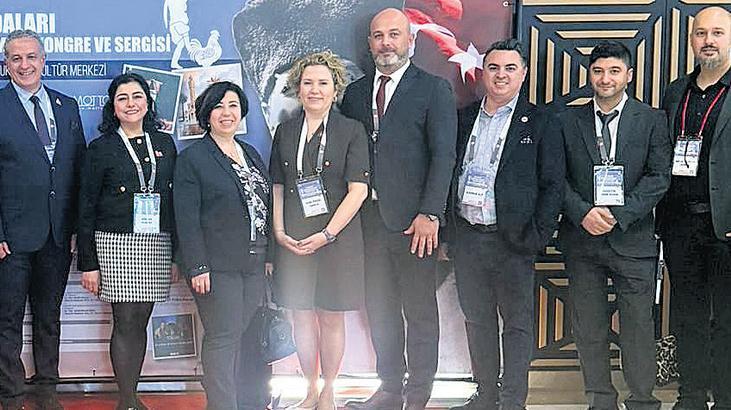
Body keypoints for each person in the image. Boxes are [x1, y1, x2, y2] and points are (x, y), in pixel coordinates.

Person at [340, 8, 457, 410]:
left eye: (394, 34)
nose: (386, 42)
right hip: (368, 222)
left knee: (419, 310)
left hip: (415, 224)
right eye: (378, 36)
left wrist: (431, 213)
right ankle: (390, 387)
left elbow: (444, 156)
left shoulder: (434, 89)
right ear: (370, 43)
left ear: (411, 40)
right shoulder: (355, 94)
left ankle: (418, 393)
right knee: (380, 309)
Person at [447, 39, 564, 410]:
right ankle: (486, 395)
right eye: (494, 67)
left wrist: (536, 236)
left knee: (516, 325)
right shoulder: (463, 117)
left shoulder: (541, 121)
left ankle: (513, 400)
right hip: (468, 236)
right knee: (477, 320)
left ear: (523, 73)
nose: (501, 75)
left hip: (514, 241)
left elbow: (553, 185)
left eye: (510, 68)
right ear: (483, 72)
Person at [559, 41, 672, 410]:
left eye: (613, 71)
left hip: (633, 239)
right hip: (582, 239)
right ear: (589, 75)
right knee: (588, 326)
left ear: (629, 75)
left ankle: (642, 400)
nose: (605, 79)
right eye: (598, 71)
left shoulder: (652, 119)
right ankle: (600, 400)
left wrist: (619, 215)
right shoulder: (567, 120)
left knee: (638, 326)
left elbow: (658, 177)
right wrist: (583, 213)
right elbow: (555, 178)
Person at [270, 51, 369, 410]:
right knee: (300, 315)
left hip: (337, 240)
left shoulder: (351, 131)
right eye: (308, 83)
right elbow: (277, 186)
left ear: (335, 89)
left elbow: (359, 190)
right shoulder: (285, 131)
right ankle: (310, 389)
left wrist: (327, 234)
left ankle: (329, 391)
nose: (315, 90)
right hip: (294, 240)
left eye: (323, 83)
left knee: (330, 315)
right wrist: (279, 232)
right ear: (298, 89)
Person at [77, 73, 178, 410]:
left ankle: (133, 394)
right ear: (113, 106)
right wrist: (88, 263)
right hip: (115, 244)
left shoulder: (164, 143)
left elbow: (174, 202)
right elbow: (86, 206)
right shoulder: (100, 148)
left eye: (137, 96)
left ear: (148, 102)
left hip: (156, 243)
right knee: (125, 321)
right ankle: (127, 400)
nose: (131, 103)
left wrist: (176, 256)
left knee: (141, 321)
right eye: (123, 98)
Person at [0, 29, 87, 410]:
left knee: (49, 317)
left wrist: (76, 230)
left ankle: (47, 391)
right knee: (7, 321)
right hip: (11, 238)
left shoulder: (67, 106)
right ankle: (10, 395)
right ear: (6, 64)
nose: (25, 65)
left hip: (57, 234)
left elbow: (78, 170)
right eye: (16, 58)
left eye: (31, 57)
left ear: (43, 60)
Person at [174, 81, 272, 410]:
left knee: (243, 336)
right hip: (216, 267)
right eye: (218, 106)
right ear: (206, 114)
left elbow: (265, 207)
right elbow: (186, 218)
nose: (226, 113)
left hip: (254, 263)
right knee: (222, 336)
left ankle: (247, 402)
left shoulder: (251, 153)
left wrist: (270, 256)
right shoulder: (193, 158)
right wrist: (197, 266)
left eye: (232, 105)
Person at [656, 6, 731, 409]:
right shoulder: (676, 91)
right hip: (680, 223)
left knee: (727, 320)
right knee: (688, 316)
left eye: (717, 32)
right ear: (691, 41)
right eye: (701, 33)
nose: (709, 40)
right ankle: (692, 396)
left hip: (725, 224)